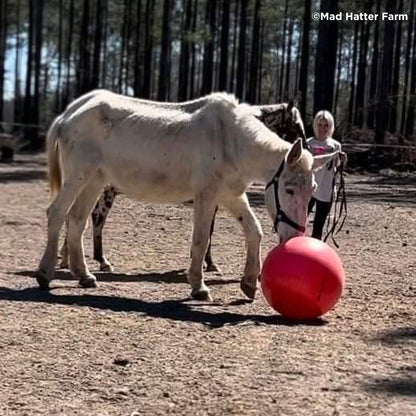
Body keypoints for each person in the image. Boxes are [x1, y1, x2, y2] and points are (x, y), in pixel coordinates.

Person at [307, 110, 347, 240]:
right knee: (300, 220)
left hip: (326, 190)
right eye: (320, 125)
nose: (322, 129)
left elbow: (338, 166)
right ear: (315, 125)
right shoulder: (307, 144)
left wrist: (342, 160)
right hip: (308, 189)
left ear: (330, 127)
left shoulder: (335, 146)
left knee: (319, 225)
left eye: (326, 126)